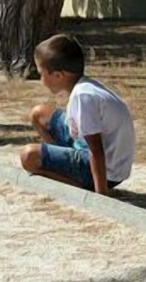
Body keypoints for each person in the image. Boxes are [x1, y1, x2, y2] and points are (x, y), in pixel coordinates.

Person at [19, 34, 135, 195]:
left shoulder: (83, 97)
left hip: (106, 171)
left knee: (28, 156)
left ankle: (78, 184)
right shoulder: (85, 86)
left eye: (41, 74)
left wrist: (101, 195)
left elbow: (96, 149)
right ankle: (64, 162)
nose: (40, 79)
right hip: (88, 149)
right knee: (38, 114)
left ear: (58, 75)